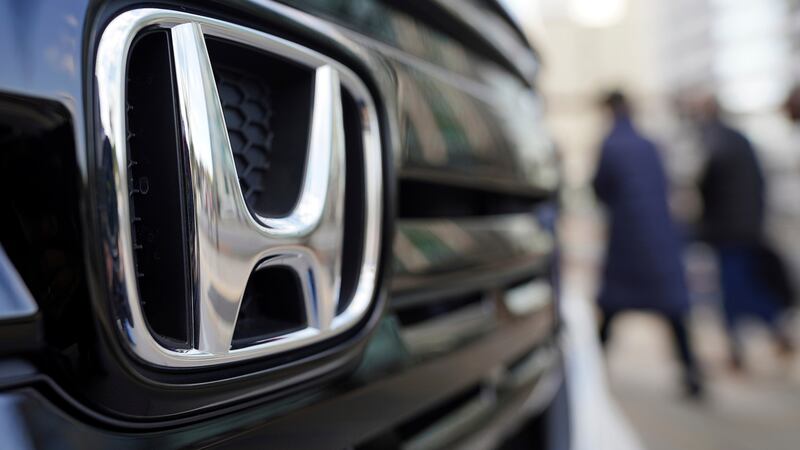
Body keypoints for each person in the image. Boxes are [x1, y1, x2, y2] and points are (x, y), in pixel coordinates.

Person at [593, 91, 703, 398]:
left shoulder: (610, 145)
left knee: (611, 307)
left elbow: (599, 189)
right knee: (673, 309)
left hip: (627, 240)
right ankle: (692, 375)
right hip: (659, 237)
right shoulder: (650, 144)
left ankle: (589, 374)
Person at [696, 96, 794, 370]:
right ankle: (772, 332)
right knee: (748, 287)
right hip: (747, 228)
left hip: (729, 232)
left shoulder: (716, 142)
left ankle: (737, 350)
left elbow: (706, 184)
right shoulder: (739, 140)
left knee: (733, 293)